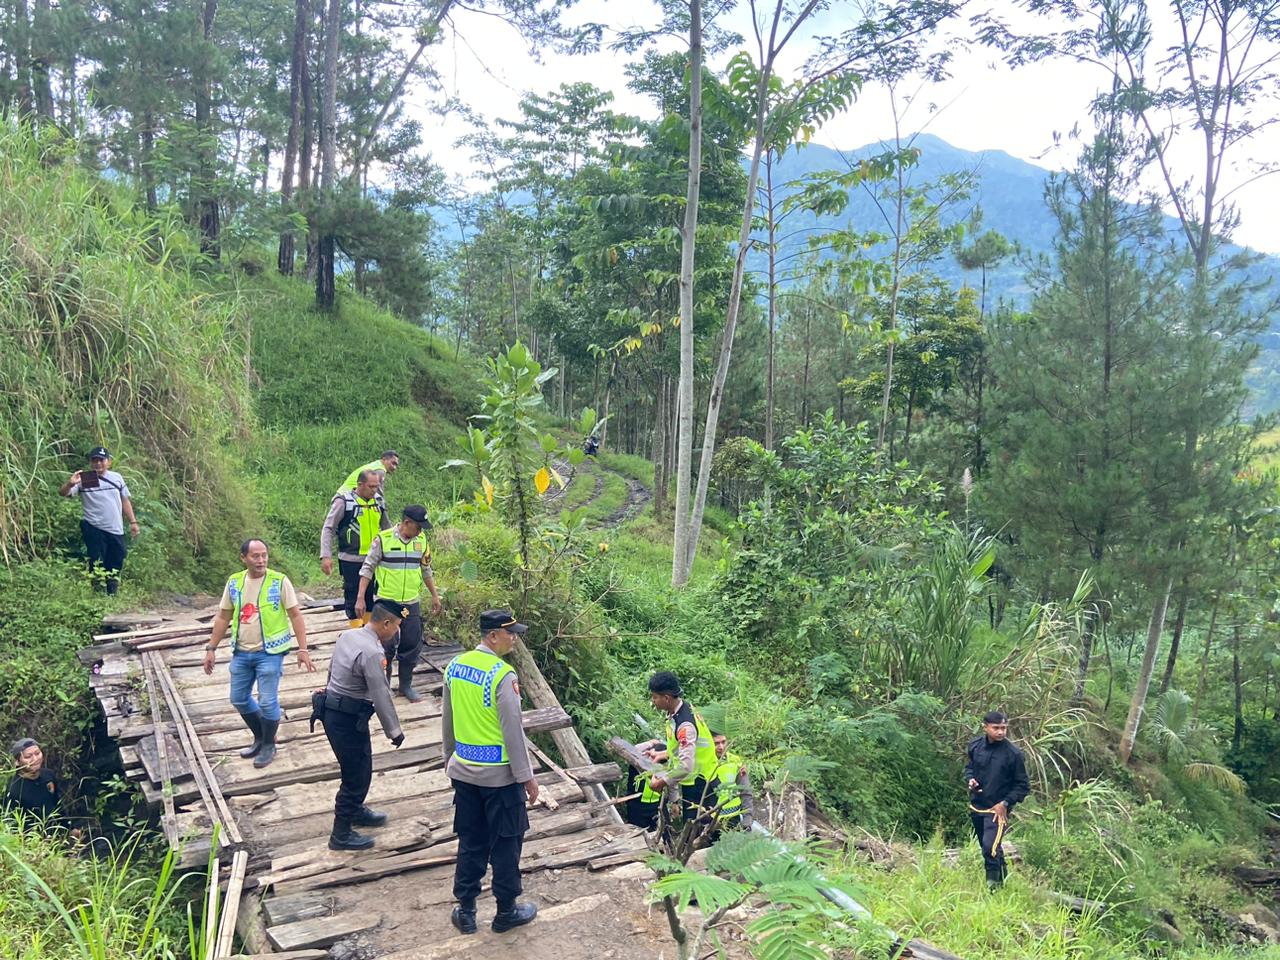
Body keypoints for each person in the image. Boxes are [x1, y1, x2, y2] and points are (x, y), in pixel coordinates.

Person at [442, 609, 539, 935]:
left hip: (465, 774)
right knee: (506, 844)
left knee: (471, 841)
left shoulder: (455, 666)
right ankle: (506, 911)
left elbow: (448, 718)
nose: (515, 638)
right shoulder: (502, 675)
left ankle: (466, 911)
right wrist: (527, 777)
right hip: (500, 779)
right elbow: (513, 731)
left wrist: (449, 759)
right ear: (493, 635)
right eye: (510, 633)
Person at [203, 539, 315, 769]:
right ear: (243, 558)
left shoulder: (279, 581)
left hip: (270, 652)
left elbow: (295, 615)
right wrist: (211, 648)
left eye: (264, 555)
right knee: (238, 698)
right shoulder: (234, 582)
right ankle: (262, 736)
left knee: (267, 701)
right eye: (255, 556)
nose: (261, 560)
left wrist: (303, 649)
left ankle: (268, 745)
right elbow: (223, 616)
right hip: (241, 651)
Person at [317, 598, 406, 851]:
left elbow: (332, 669)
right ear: (386, 623)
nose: (398, 631)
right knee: (356, 777)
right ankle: (340, 834)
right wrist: (395, 732)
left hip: (334, 711)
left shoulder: (348, 635)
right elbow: (381, 695)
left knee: (358, 767)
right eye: (397, 625)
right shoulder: (373, 652)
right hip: (347, 718)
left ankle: (355, 811)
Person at [356, 505, 442, 703]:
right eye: (418, 526)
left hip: (411, 602)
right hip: (387, 603)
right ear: (406, 523)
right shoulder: (383, 539)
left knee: (412, 644)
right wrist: (361, 597)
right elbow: (367, 569)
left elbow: (426, 570)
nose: (420, 531)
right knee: (385, 646)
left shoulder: (421, 541)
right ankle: (382, 688)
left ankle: (405, 685)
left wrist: (435, 596)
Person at [640, 671, 720, 823]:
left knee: (696, 831)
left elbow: (685, 767)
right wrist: (664, 754)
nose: (653, 700)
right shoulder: (683, 709)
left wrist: (661, 782)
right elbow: (684, 748)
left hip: (701, 784)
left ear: (666, 698)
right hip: (699, 780)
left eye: (655, 697)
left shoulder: (685, 725)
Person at [58, 446, 139, 595]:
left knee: (116, 560)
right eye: (94, 460)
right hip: (94, 527)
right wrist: (70, 483)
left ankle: (112, 594)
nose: (98, 464)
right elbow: (63, 493)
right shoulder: (85, 479)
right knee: (97, 561)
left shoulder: (116, 477)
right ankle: (97, 594)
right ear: (90, 462)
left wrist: (133, 522)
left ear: (109, 462)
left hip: (116, 528)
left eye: (101, 460)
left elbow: (125, 500)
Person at [964, 710, 1030, 888]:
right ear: (985, 727)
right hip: (977, 806)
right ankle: (1004, 882)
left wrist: (1005, 803)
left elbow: (1023, 786)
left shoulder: (1013, 754)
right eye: (996, 728)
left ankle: (992, 889)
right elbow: (969, 767)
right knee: (989, 848)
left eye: (1004, 728)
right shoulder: (975, 746)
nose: (1000, 732)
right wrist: (970, 779)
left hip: (997, 810)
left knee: (990, 849)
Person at [320, 469, 390, 629]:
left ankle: (368, 629)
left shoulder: (378, 502)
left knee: (371, 596)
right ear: (360, 485)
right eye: (371, 487)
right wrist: (325, 555)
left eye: (376, 486)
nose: (374, 490)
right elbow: (329, 528)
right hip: (351, 559)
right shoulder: (344, 502)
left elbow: (386, 528)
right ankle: (356, 631)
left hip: (374, 559)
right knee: (353, 596)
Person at [6, 739, 63, 821]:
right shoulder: (14, 789)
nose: (35, 759)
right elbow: (13, 822)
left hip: (57, 829)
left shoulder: (48, 775)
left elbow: (58, 803)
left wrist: (70, 828)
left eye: (37, 753)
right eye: (28, 756)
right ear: (17, 762)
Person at [712, 732, 754, 830]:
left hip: (733, 818)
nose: (721, 747)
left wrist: (747, 820)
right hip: (711, 820)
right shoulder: (704, 763)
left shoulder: (735, 761)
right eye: (716, 743)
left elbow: (745, 791)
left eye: (723, 742)